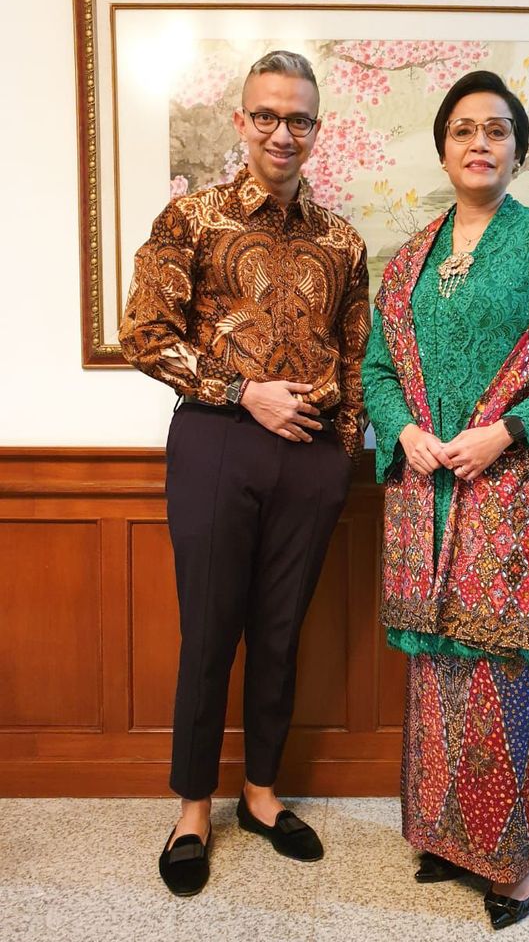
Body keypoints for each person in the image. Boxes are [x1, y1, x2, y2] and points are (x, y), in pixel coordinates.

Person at [119, 50, 370, 896]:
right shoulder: (189, 217)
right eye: (265, 115)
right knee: (209, 628)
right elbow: (144, 334)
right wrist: (242, 392)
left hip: (314, 460)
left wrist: (344, 449)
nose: (281, 132)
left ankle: (261, 793)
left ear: (317, 127)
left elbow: (361, 352)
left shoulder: (344, 238)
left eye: (298, 118)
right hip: (216, 442)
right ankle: (194, 806)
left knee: (279, 630)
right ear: (240, 121)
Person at [362, 70, 529, 930]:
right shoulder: (412, 257)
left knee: (505, 675)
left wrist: (501, 435)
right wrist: (402, 433)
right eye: (464, 129)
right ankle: (444, 836)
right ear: (442, 146)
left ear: (517, 149)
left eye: (496, 131)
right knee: (438, 671)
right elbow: (378, 369)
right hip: (427, 494)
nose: (479, 143)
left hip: (506, 490)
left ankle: (512, 864)